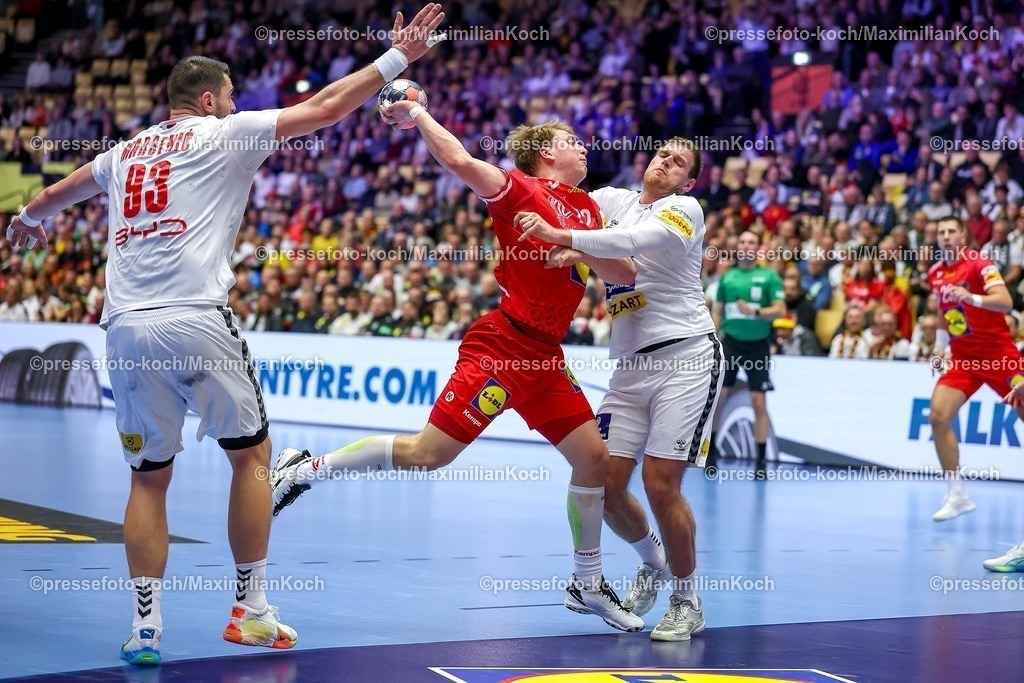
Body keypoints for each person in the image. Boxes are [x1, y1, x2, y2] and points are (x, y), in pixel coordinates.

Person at [5, 4, 446, 665]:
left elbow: (58, 193)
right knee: (254, 457)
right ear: (210, 100)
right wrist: (397, 60)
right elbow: (326, 107)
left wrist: (28, 218)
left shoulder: (126, 153)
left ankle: (145, 627)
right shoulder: (225, 132)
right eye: (232, 95)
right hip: (195, 319)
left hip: (123, 328)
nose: (236, 103)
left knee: (148, 479)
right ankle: (251, 609)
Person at [271, 109, 643, 630]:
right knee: (429, 455)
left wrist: (569, 241)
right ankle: (303, 470)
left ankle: (586, 583)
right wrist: (419, 112)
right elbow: (457, 158)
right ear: (545, 154)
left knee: (594, 462)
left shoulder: (586, 209)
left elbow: (624, 272)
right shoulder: (517, 188)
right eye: (571, 141)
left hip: (547, 359)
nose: (584, 147)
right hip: (502, 346)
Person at [518, 137, 721, 641]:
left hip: (686, 356)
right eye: (662, 154)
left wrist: (562, 237)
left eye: (678, 162)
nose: (665, 162)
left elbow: (632, 246)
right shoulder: (613, 201)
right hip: (628, 368)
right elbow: (557, 190)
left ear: (688, 181)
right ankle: (654, 561)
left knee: (660, 485)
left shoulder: (683, 210)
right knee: (605, 485)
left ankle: (687, 600)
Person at [926, 217, 1020, 521]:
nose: (946, 236)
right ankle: (957, 495)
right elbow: (944, 312)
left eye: (951, 231)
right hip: (964, 358)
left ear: (963, 236)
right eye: (941, 232)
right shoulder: (936, 273)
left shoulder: (980, 264)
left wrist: (973, 297)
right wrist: (941, 346)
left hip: (997, 354)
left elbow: (1005, 302)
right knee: (939, 416)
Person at [710, 231, 786, 478]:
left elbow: (779, 310)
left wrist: (754, 312)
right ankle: (710, 453)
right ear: (737, 246)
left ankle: (761, 459)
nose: (746, 245)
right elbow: (719, 311)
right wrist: (711, 338)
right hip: (731, 343)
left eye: (751, 242)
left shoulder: (769, 276)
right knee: (719, 397)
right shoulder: (728, 277)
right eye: (742, 241)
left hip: (757, 345)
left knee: (759, 402)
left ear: (758, 248)